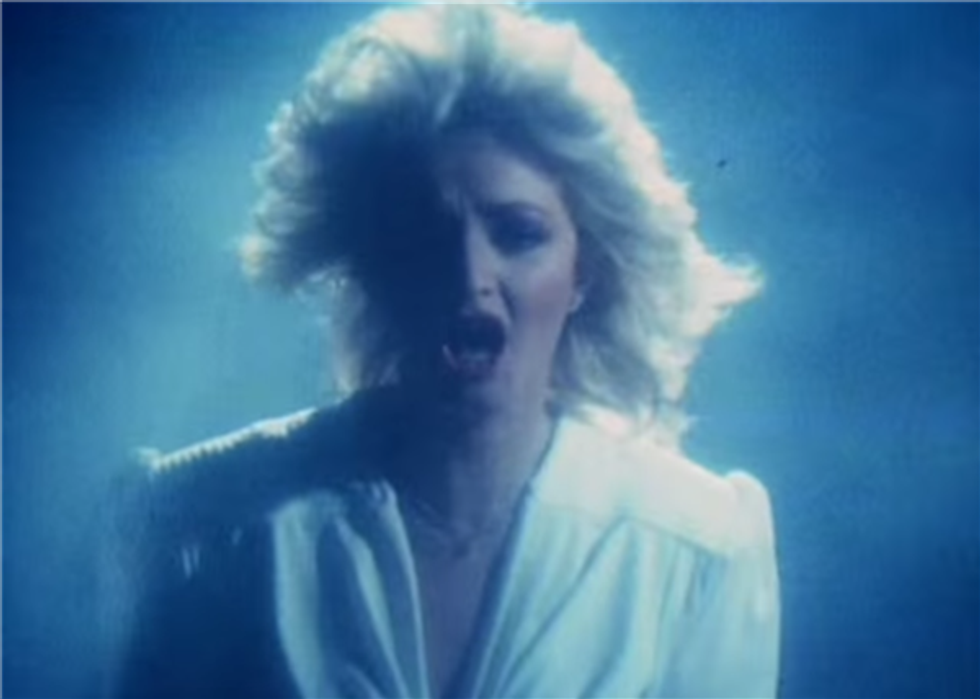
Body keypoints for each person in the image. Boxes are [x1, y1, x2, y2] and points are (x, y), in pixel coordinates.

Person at [103, 2, 780, 697]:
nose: (470, 275)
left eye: (518, 233)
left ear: (584, 271)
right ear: (370, 265)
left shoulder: (699, 544)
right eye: (425, 234)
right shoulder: (209, 516)